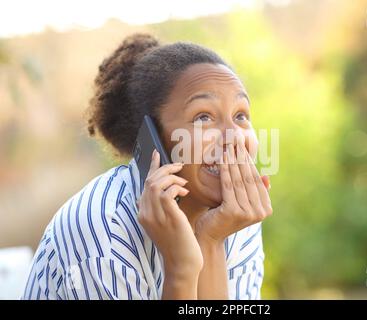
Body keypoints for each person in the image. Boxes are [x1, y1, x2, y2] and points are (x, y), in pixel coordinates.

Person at [22, 33, 273, 300]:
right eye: (203, 117)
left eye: (240, 115)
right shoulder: (104, 227)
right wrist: (182, 269)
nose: (234, 136)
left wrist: (210, 241)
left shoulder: (237, 219)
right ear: (152, 138)